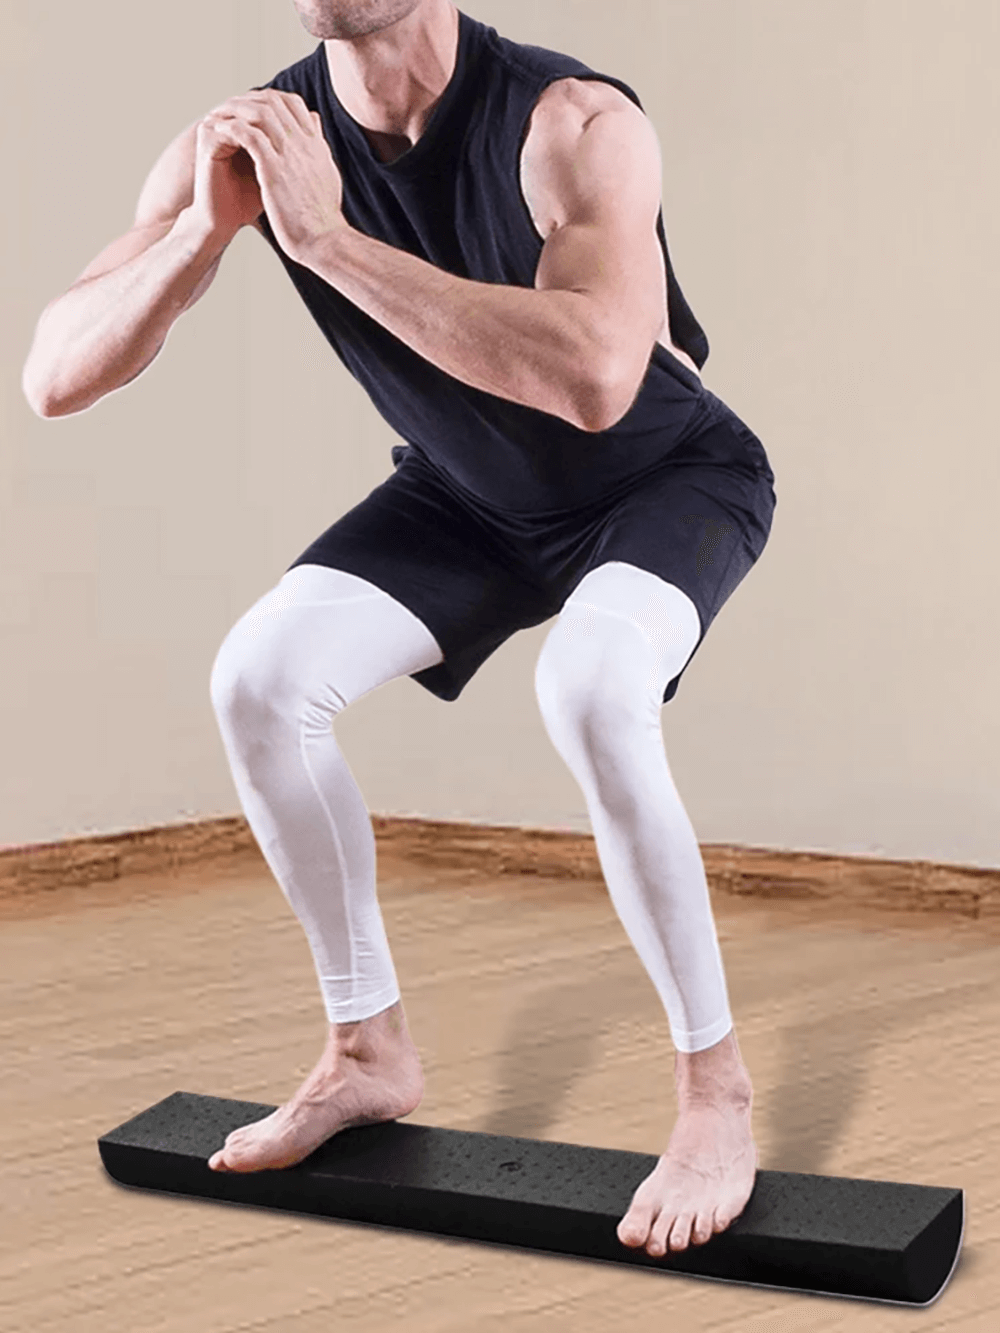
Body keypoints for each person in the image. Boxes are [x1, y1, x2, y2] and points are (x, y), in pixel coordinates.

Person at [22, 0, 777, 1259]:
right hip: (466, 493)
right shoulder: (253, 136)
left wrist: (321, 239)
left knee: (591, 689)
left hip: (661, 479)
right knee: (258, 679)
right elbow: (53, 376)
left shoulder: (574, 122)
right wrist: (208, 233)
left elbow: (598, 380)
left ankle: (716, 1095)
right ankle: (365, 1048)